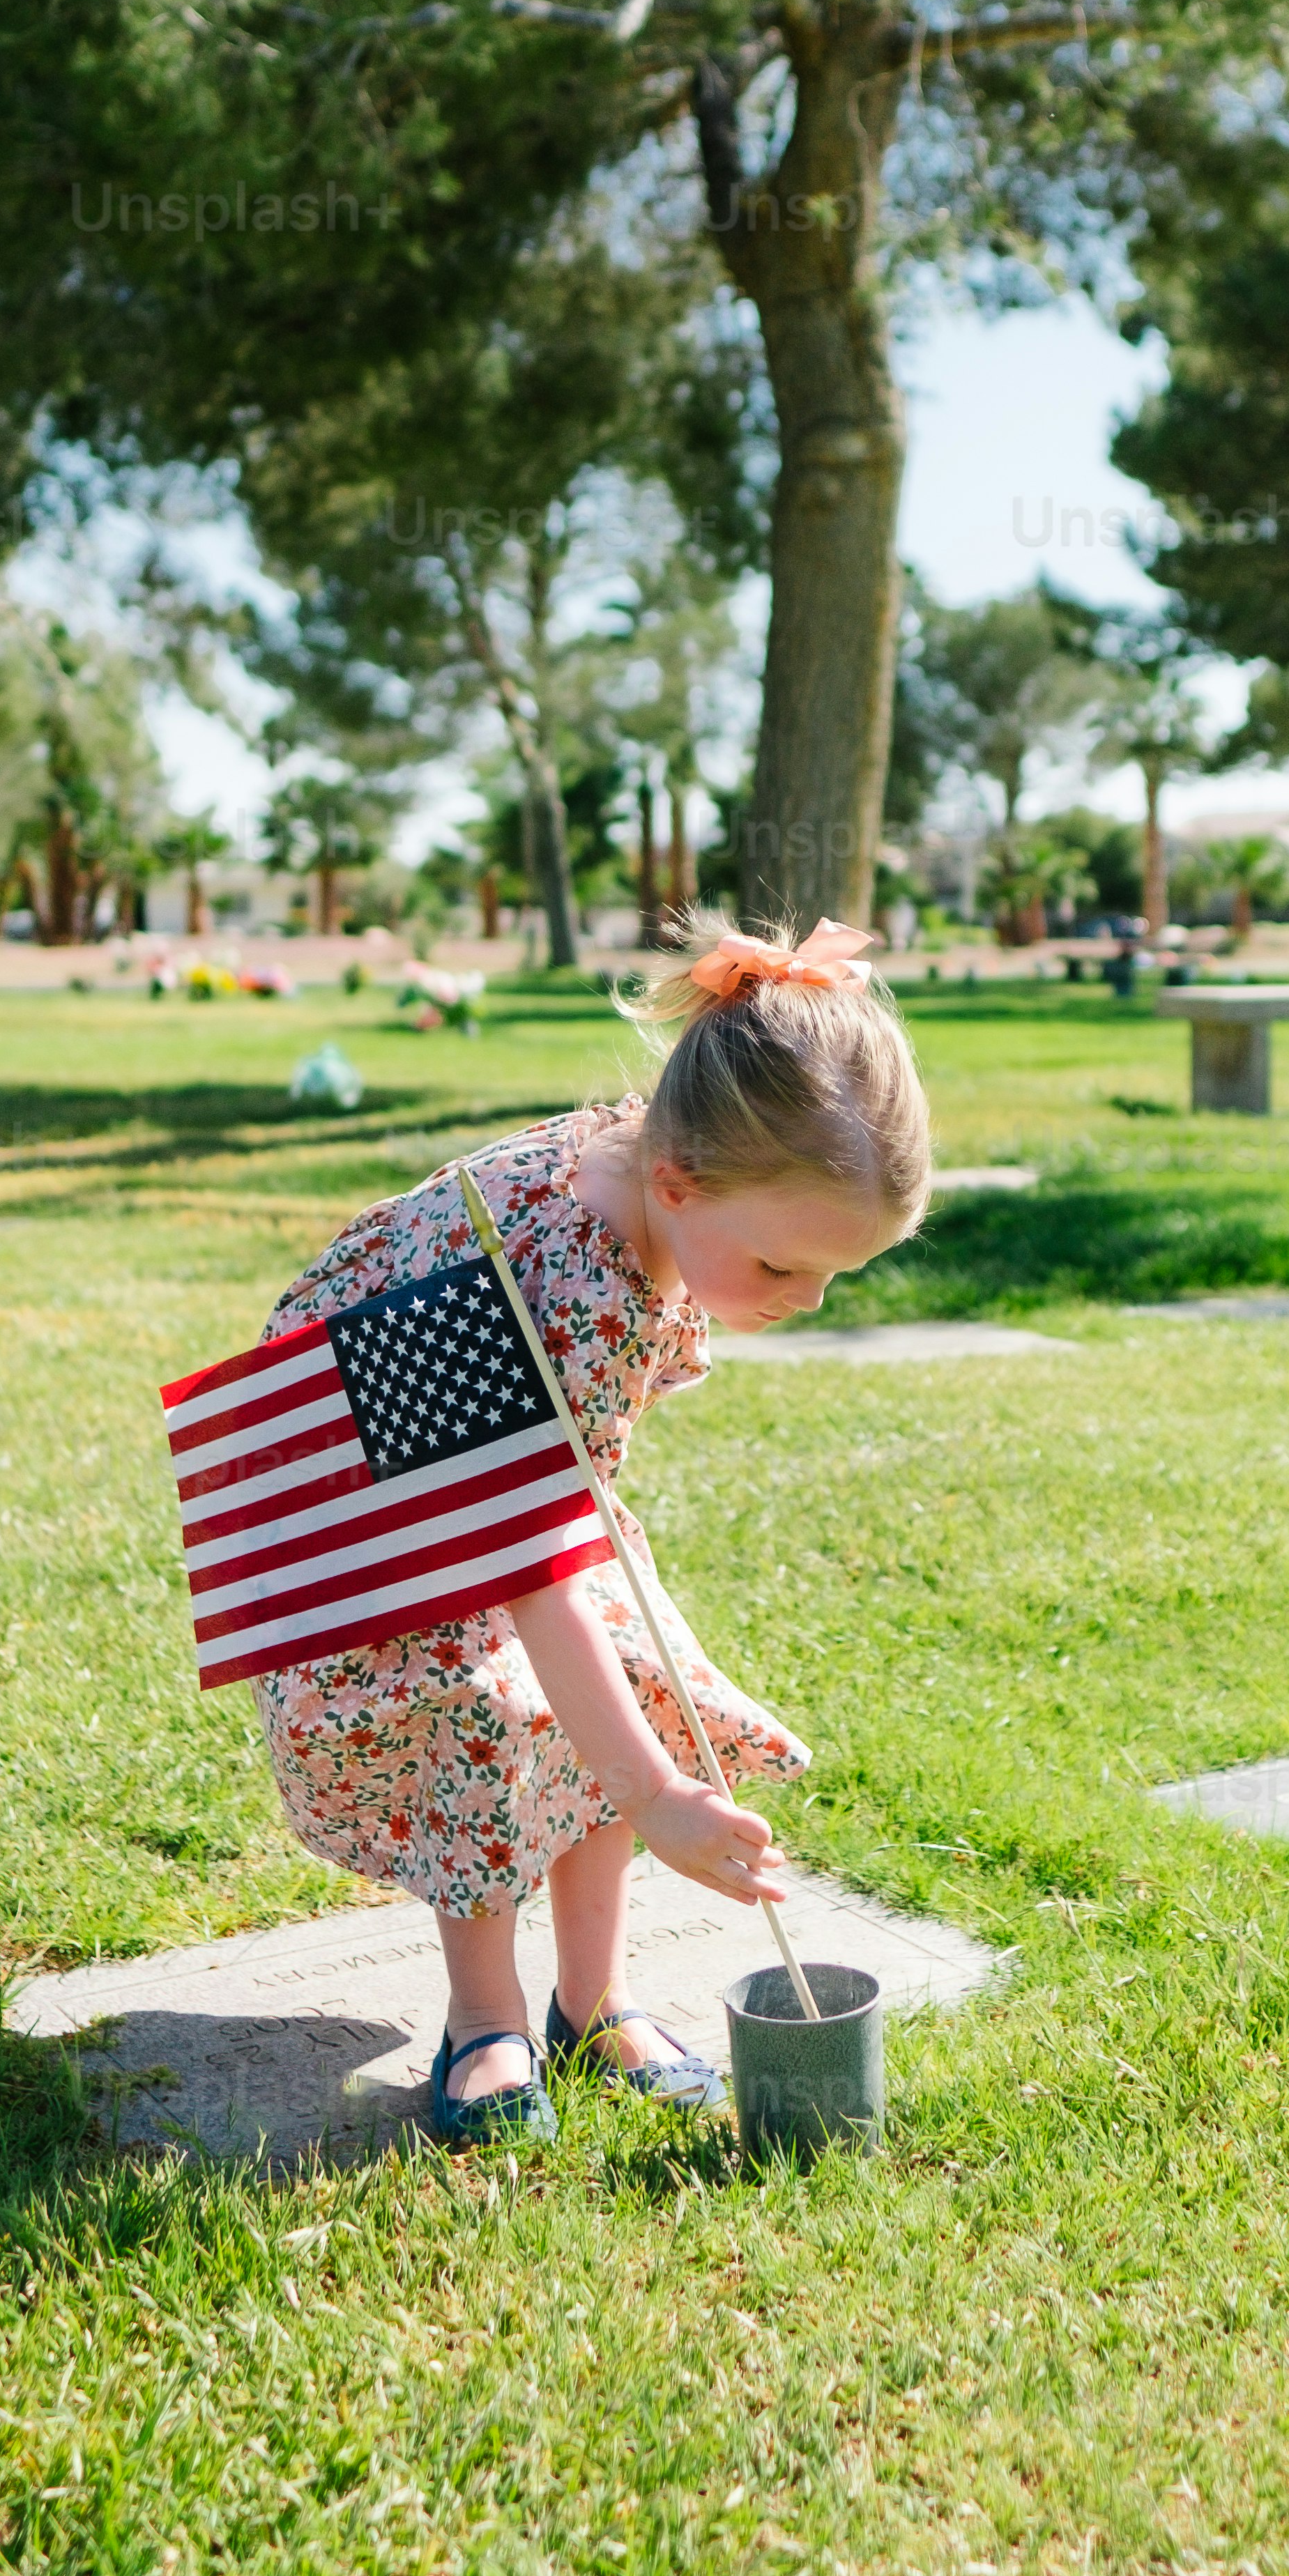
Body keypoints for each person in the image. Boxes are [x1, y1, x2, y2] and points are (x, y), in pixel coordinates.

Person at [247, 915, 930, 2146]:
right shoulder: (578, 1285)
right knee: (487, 1717)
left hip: (504, 1482)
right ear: (681, 1184)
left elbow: (561, 1534)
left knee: (617, 1673)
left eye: (835, 1278)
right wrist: (661, 1796)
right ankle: (487, 2017)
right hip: (390, 1504)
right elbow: (527, 1573)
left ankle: (595, 1998)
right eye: (784, 1269)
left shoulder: (649, 1173)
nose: (804, 1302)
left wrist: (640, 1756)